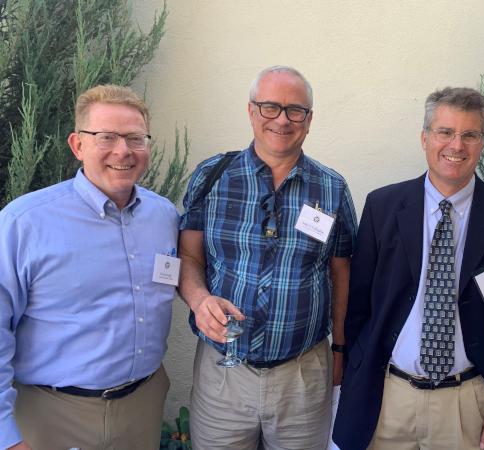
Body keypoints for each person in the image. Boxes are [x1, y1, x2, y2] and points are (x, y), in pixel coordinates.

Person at [333, 87, 484, 450]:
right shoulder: (382, 207)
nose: (456, 145)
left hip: (470, 407)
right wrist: (356, 378)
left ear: (482, 142)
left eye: (470, 135)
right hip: (387, 398)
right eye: (445, 132)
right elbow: (359, 308)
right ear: (425, 137)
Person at [178, 65, 357, 450]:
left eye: (295, 110)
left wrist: (340, 349)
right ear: (251, 111)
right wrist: (198, 299)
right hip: (222, 372)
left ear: (308, 121)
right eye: (270, 107)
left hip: (303, 376)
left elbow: (342, 275)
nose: (282, 119)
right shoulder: (211, 177)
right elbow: (188, 256)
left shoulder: (333, 189)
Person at [0, 85, 180, 450]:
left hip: (142, 406)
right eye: (106, 137)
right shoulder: (24, 223)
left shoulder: (166, 216)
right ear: (77, 145)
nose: (123, 150)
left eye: (135, 138)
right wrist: (5, 436)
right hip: (50, 414)